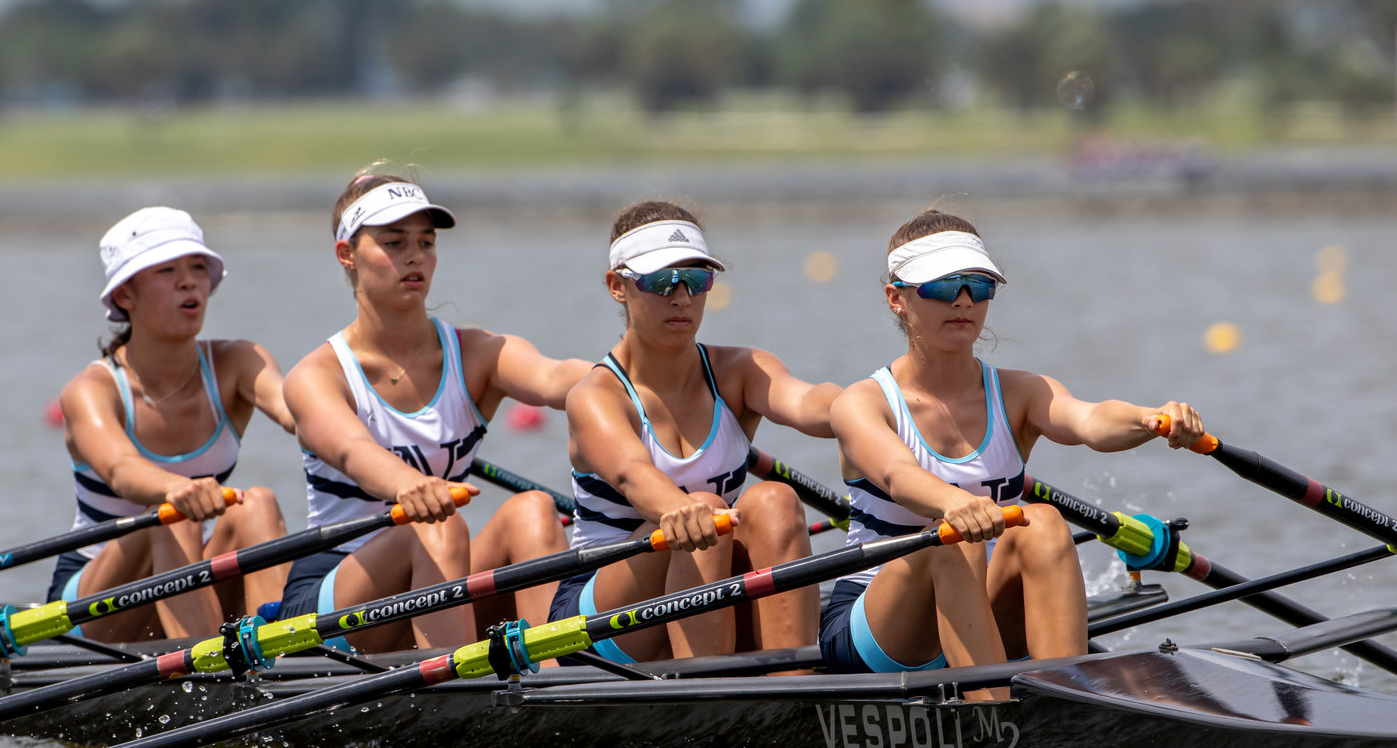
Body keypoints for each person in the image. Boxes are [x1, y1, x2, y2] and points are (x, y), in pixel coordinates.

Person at [819, 208, 1204, 694]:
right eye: (941, 287)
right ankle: (992, 721)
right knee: (953, 537)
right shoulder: (862, 403)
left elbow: (1088, 421)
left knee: (1041, 521)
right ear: (897, 299)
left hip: (978, 603)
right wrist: (952, 501)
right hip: (878, 629)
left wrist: (1151, 419)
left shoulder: (1020, 393)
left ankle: (1070, 709)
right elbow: (898, 475)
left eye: (979, 287)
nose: (963, 302)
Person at [279, 168, 591, 653]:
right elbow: (353, 451)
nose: (415, 257)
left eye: (426, 242)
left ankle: (554, 688)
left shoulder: (476, 354)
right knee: (434, 523)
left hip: (436, 575)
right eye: (394, 242)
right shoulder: (317, 376)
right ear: (348, 255)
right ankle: (455, 697)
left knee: (532, 510)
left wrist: (634, 379)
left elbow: (557, 379)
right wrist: (410, 487)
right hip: (332, 600)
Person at [552, 200, 842, 663]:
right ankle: (712, 697)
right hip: (599, 621)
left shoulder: (739, 371)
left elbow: (813, 404)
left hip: (705, 579)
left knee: (775, 500)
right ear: (617, 287)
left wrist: (885, 408)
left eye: (697, 279)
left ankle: (794, 693)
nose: (682, 296)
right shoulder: (597, 396)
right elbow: (632, 475)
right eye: (661, 280)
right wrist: (678, 508)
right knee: (705, 509)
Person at [50, 206, 295, 642]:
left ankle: (282, 660)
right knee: (171, 514)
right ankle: (214, 679)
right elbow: (121, 470)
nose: (189, 281)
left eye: (198, 267)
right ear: (125, 296)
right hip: (93, 602)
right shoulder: (92, 390)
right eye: (167, 270)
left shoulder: (237, 363)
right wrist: (173, 488)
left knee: (257, 502)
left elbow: (301, 414)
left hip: (184, 572)